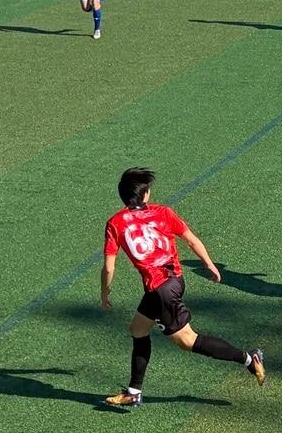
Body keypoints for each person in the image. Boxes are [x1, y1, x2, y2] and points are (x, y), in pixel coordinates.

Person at [100, 167, 266, 409]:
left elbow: (108, 268)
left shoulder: (115, 223)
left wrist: (105, 293)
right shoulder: (164, 213)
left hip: (161, 290)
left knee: (188, 341)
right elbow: (191, 239)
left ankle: (250, 359)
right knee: (137, 329)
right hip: (169, 283)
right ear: (144, 194)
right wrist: (209, 264)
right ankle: (134, 392)